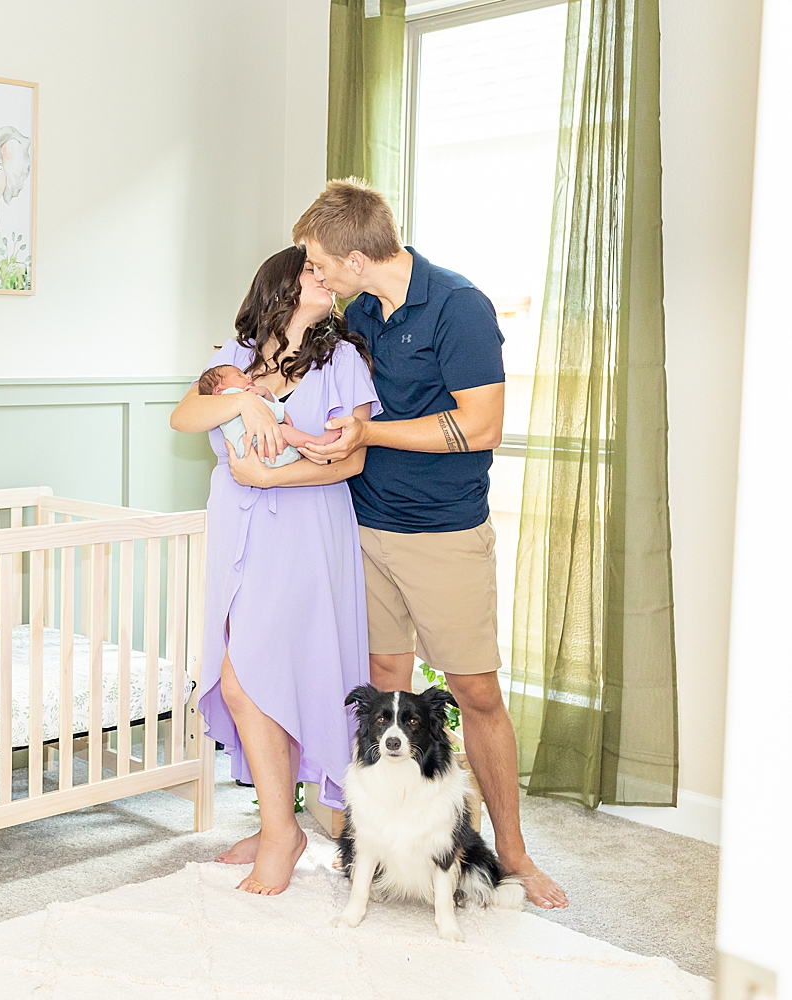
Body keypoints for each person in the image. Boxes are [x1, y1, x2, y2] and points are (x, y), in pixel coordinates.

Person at [293, 177, 569, 910]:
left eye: (320, 263)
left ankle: (512, 853)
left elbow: (480, 428)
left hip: (443, 532)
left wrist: (370, 432)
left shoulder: (458, 306)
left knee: (475, 692)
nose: (315, 277)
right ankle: (386, 843)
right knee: (388, 690)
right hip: (365, 523)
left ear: (356, 257)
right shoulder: (362, 314)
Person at [170, 245, 381, 895]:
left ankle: (282, 834)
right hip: (241, 532)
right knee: (261, 681)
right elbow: (185, 417)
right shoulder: (231, 364)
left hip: (306, 533)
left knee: (247, 682)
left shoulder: (343, 361)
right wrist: (246, 405)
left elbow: (348, 462)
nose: (327, 279)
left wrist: (269, 473)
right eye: (313, 270)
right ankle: (275, 825)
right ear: (281, 284)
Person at [196, 364, 344, 467]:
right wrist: (281, 413)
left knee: (285, 435)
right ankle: (319, 442)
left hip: (260, 451)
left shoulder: (229, 402)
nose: (247, 376)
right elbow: (265, 411)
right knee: (284, 431)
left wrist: (266, 393)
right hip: (255, 447)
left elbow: (263, 409)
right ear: (218, 389)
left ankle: (305, 451)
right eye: (239, 375)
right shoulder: (230, 395)